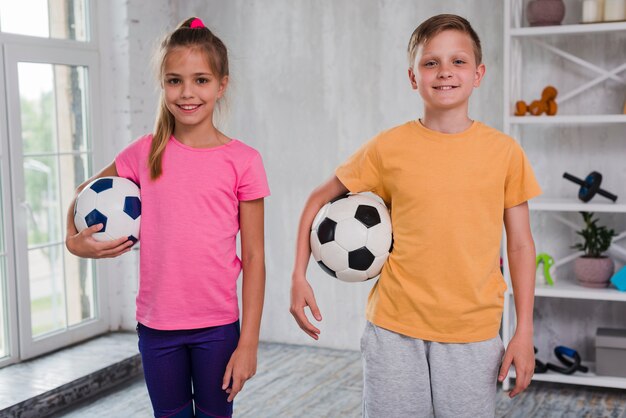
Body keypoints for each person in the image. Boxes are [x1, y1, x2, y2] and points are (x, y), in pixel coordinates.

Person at [290, 14, 540, 418]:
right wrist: (298, 275)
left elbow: (521, 243)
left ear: (478, 74)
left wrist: (523, 329)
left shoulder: (505, 153)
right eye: (431, 63)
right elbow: (318, 198)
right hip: (393, 329)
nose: (445, 73)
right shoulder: (388, 148)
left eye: (458, 62)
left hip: (472, 334)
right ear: (413, 77)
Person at [66, 17, 269, 418]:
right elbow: (82, 195)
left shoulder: (244, 161)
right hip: (158, 329)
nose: (187, 92)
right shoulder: (144, 153)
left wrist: (248, 343)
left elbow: (256, 258)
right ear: (163, 84)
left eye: (201, 80)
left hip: (217, 328)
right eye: (175, 80)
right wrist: (73, 242)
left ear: (221, 85)